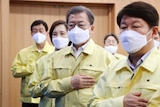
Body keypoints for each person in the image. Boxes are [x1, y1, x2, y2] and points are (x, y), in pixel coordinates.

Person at [40, 6, 116, 107]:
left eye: (81, 25)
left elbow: (113, 93)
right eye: (71, 25)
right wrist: (70, 83)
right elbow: (44, 87)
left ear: (91, 28)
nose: (76, 29)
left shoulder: (107, 57)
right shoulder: (56, 57)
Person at [89, 1, 160, 107]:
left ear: (154, 32)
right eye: (123, 27)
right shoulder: (112, 68)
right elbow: (93, 104)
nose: (128, 33)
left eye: (136, 26)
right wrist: (120, 103)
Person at [11, 20, 54, 107]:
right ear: (31, 34)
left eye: (41, 31)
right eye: (35, 31)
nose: (38, 33)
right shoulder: (23, 52)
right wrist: (33, 67)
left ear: (47, 33)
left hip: (49, 97)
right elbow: (15, 71)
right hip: (29, 98)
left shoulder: (54, 51)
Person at [28, 20, 70, 107]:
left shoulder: (75, 60)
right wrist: (47, 87)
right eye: (55, 34)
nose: (58, 37)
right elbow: (32, 89)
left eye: (62, 33)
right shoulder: (43, 61)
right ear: (50, 37)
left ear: (69, 35)